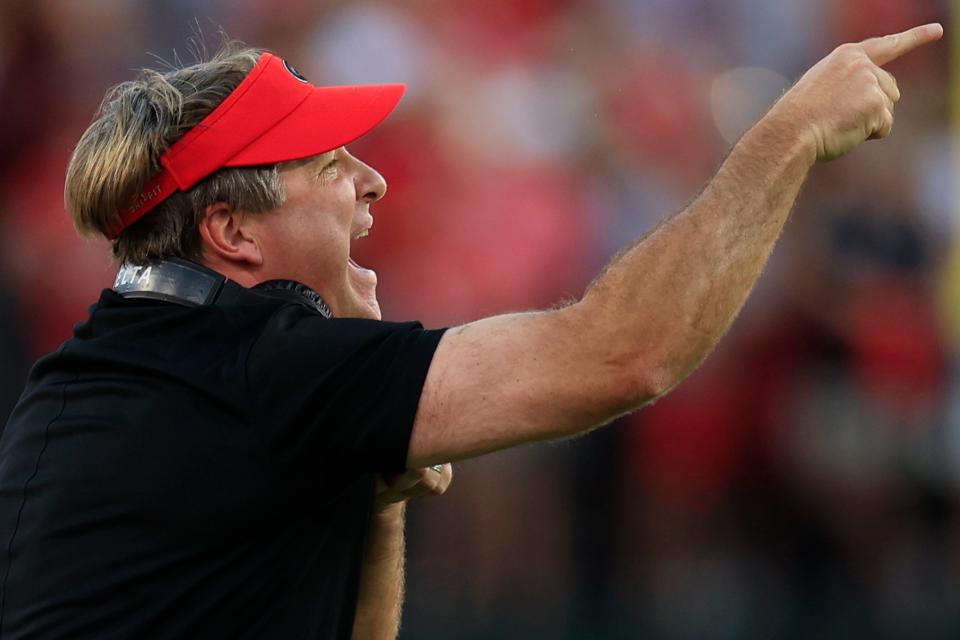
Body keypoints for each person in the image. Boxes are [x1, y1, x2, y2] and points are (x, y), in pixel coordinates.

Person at [0, 22, 942, 639]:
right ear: (233, 232)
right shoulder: (269, 363)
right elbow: (626, 355)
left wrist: (375, 494)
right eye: (328, 164)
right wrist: (787, 137)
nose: (372, 182)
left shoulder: (88, 378)